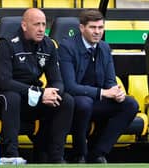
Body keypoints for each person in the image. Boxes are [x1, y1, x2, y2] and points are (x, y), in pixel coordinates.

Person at [0, 8, 74, 164]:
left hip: (28, 96)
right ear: (24, 26)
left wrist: (53, 93)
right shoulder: (7, 43)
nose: (41, 29)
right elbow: (5, 82)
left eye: (44, 24)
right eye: (37, 24)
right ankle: (11, 154)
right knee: (12, 97)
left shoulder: (48, 45)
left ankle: (56, 156)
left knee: (66, 100)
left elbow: (57, 80)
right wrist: (40, 92)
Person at [58, 9, 139, 163]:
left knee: (130, 104)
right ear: (82, 28)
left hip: (97, 100)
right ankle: (79, 154)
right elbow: (70, 86)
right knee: (84, 103)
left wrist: (116, 92)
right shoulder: (67, 47)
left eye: (100, 28)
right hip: (75, 100)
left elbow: (110, 80)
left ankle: (97, 153)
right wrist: (103, 93)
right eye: (93, 27)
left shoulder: (104, 48)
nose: (97, 32)